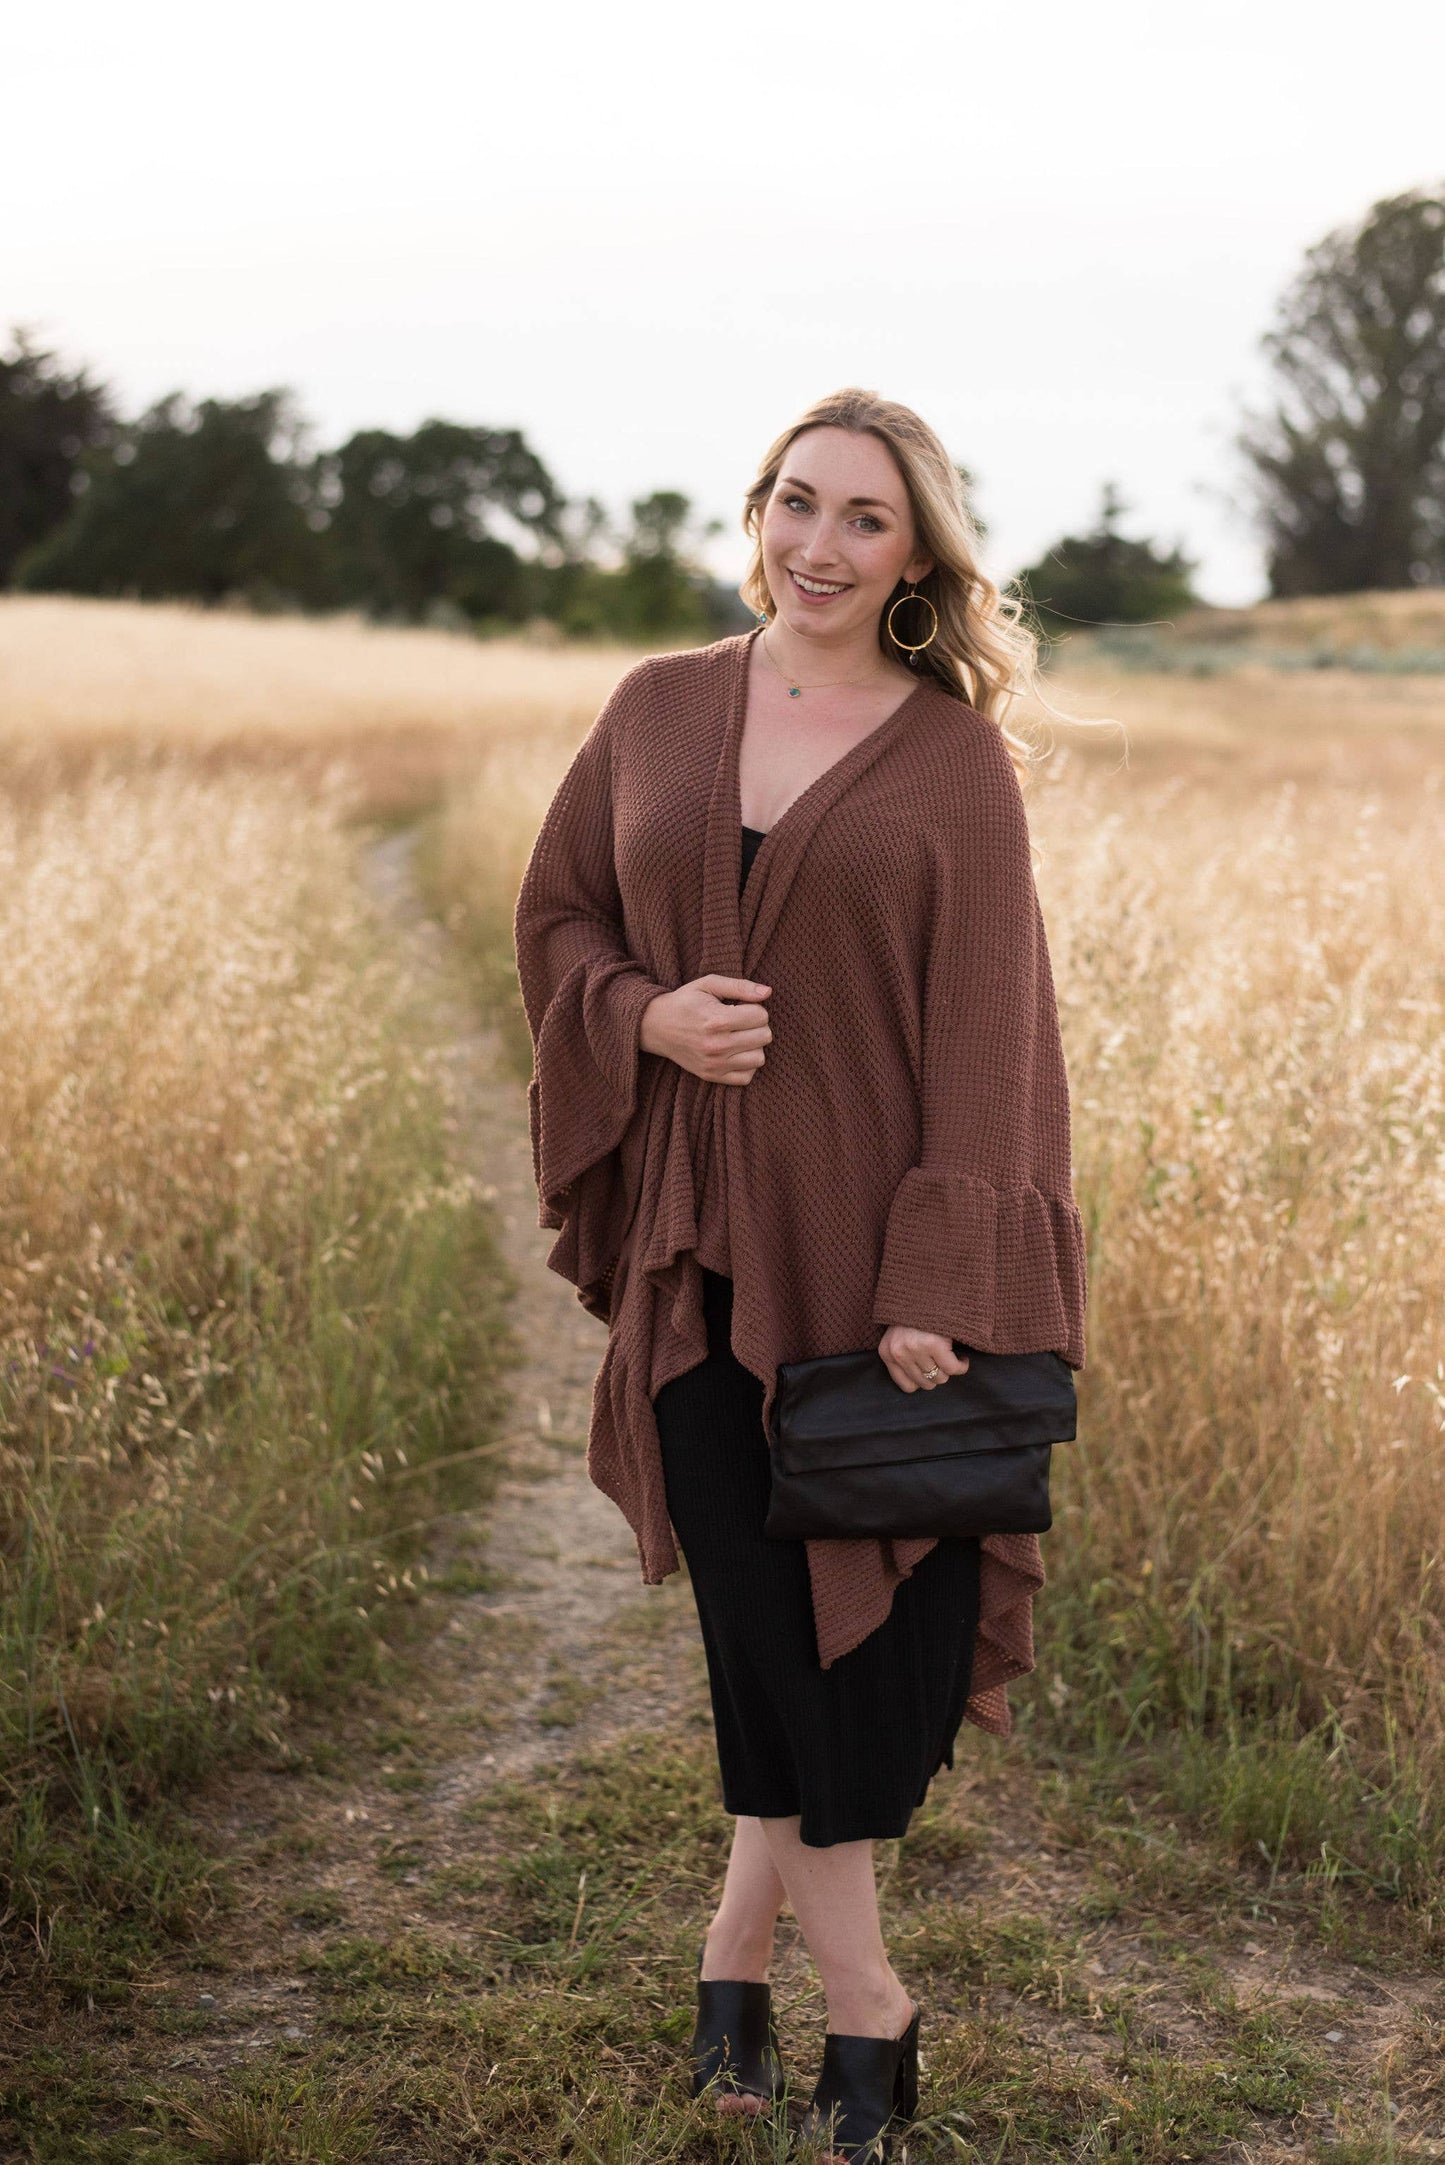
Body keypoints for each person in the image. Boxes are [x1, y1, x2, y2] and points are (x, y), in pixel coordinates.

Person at [513, 388, 1087, 2163]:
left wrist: (935, 1277)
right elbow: (555, 922)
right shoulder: (658, 707)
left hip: (869, 1278)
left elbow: (986, 1035)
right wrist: (648, 1018)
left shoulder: (944, 761)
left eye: (860, 519)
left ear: (917, 557)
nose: (813, 546)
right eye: (792, 502)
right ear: (752, 510)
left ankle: (728, 1963)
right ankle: (870, 2012)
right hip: (695, 1260)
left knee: (858, 1679)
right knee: (763, 1635)